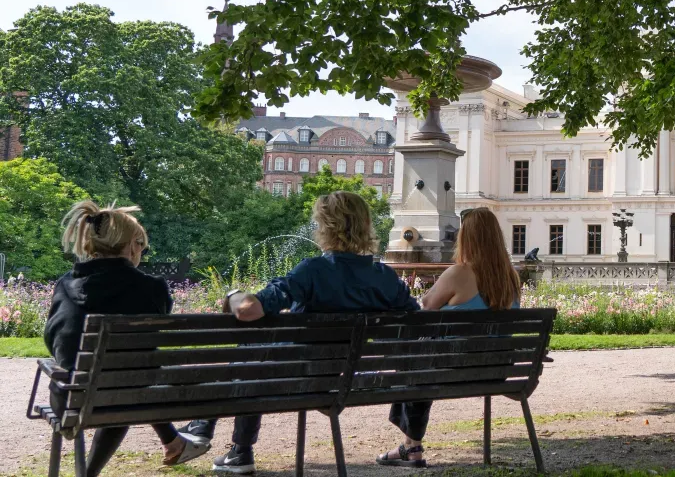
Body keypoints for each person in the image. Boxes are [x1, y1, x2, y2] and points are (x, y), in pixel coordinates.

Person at [179, 192, 419, 474]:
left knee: (250, 358)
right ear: (366, 225)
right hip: (343, 381)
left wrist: (233, 295)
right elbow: (414, 321)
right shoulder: (384, 277)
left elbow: (248, 310)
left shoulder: (312, 271)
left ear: (325, 227)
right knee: (253, 358)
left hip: (293, 379)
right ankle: (232, 448)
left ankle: (218, 435)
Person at [44, 201, 209, 475]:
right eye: (141, 247)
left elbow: (53, 340)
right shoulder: (152, 288)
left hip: (71, 401)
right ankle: (91, 473)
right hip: (126, 395)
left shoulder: (65, 284)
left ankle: (171, 443)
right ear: (132, 245)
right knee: (124, 377)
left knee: (111, 376)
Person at [379, 207, 523, 468]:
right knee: (419, 361)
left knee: (412, 360)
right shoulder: (511, 278)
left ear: (466, 238)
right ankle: (410, 446)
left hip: (453, 368)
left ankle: (411, 447)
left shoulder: (459, 273)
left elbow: (427, 305)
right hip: (495, 369)